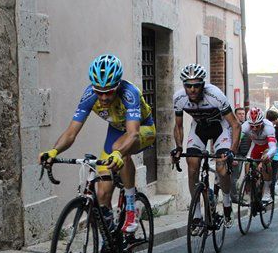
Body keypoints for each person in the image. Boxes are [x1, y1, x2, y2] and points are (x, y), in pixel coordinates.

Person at [40, 53, 156, 237]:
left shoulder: (129, 93)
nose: (103, 96)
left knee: (119, 149)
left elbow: (132, 134)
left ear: (117, 86)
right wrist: (54, 151)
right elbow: (71, 133)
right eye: (98, 91)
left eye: (108, 91)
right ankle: (111, 239)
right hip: (116, 131)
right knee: (102, 194)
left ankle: (132, 209)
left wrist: (118, 153)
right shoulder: (90, 95)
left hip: (142, 128)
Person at [170, 64, 240, 227]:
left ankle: (227, 203)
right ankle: (196, 215)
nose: (192, 89)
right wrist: (179, 148)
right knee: (192, 165)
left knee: (222, 168)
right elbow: (178, 126)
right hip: (199, 129)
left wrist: (232, 152)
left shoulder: (215, 95)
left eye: (196, 85)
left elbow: (235, 125)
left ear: (203, 84)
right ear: (184, 85)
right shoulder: (179, 98)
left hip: (220, 128)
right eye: (188, 85)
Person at [240, 107, 278, 205]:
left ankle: (266, 191)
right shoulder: (245, 126)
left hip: (267, 146)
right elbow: (237, 140)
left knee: (266, 161)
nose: (255, 128)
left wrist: (268, 155)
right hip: (255, 145)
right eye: (252, 126)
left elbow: (273, 148)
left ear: (262, 122)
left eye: (257, 126)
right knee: (248, 162)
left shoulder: (268, 126)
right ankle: (250, 185)